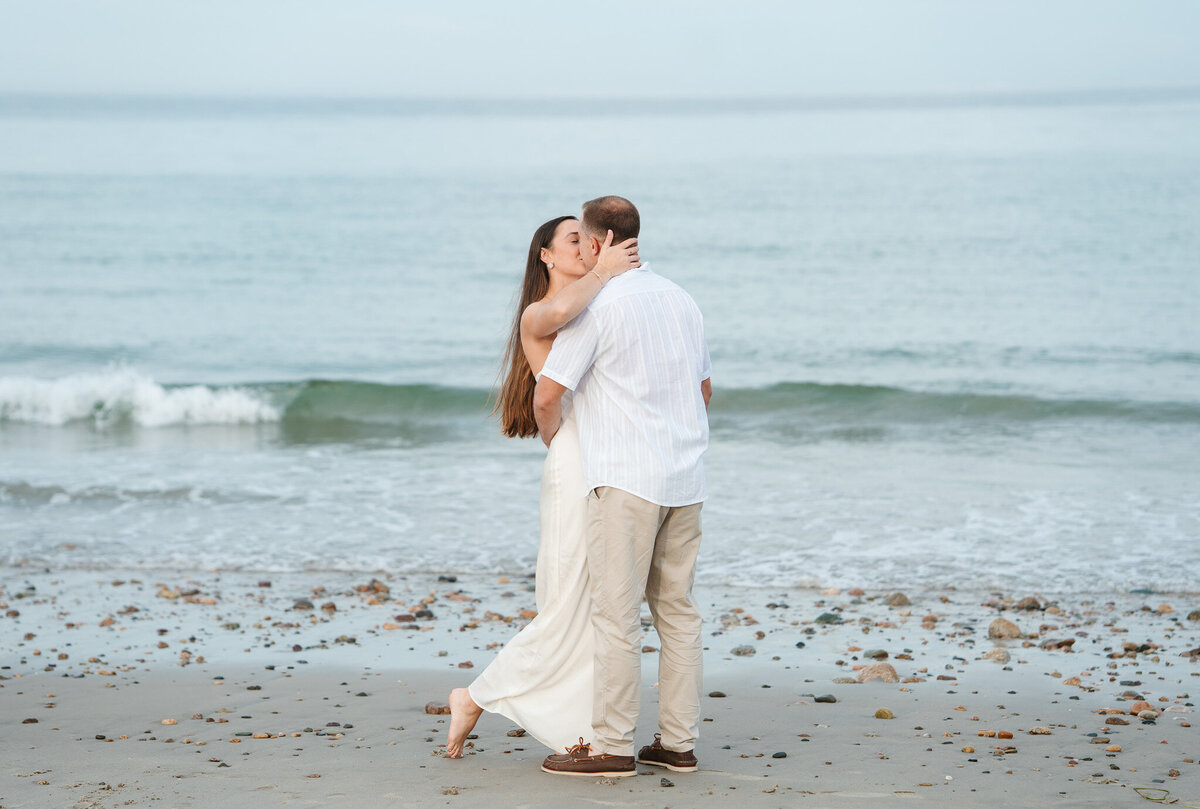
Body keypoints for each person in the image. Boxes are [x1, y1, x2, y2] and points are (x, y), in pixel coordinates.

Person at [444, 215, 640, 757]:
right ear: (546, 257)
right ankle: (475, 696)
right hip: (577, 459)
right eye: (572, 240)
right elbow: (556, 332)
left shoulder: (595, 303)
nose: (586, 245)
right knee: (565, 600)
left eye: (589, 237)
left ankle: (581, 729)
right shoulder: (541, 313)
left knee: (592, 601)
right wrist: (563, 438)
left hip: (606, 458)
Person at [534, 196, 712, 778]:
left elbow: (548, 392)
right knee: (678, 613)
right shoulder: (682, 299)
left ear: (595, 242)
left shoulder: (599, 308)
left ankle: (612, 747)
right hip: (685, 478)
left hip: (626, 479)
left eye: (582, 241)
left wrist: (554, 441)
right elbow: (704, 389)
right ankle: (677, 744)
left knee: (616, 617)